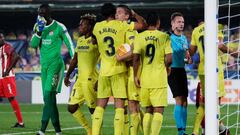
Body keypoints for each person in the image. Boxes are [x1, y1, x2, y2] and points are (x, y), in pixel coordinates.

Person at [91, 3, 145, 135]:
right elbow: (142, 24)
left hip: (103, 71)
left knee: (100, 106)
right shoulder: (122, 26)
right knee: (120, 106)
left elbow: (94, 41)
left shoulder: (97, 27)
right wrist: (132, 14)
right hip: (118, 70)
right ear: (113, 13)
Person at [31, 4, 74, 135]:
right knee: (48, 99)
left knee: (49, 94)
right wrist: (39, 30)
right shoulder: (37, 26)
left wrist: (75, 62)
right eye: (39, 13)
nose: (41, 16)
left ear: (49, 13)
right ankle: (58, 131)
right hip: (44, 67)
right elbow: (33, 45)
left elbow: (70, 45)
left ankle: (42, 130)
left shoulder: (59, 27)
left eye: (43, 13)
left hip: (56, 65)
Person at [189, 21, 237, 135]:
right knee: (215, 101)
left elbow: (191, 51)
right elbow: (220, 45)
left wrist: (186, 54)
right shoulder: (214, 26)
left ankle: (199, 132)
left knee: (204, 102)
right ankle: (219, 129)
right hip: (215, 68)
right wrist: (234, 52)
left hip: (202, 68)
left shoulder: (196, 31)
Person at [133, 12, 172, 135]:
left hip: (145, 79)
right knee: (158, 110)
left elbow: (135, 59)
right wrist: (167, 67)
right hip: (159, 78)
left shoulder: (139, 37)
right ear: (158, 23)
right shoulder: (164, 37)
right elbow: (169, 58)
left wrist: (135, 75)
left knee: (148, 109)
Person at [64, 13, 99, 135]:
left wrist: (101, 79)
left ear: (90, 26)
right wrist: (67, 75)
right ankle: (89, 130)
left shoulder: (96, 41)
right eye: (79, 24)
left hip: (91, 79)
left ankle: (95, 132)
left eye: (82, 24)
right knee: (72, 107)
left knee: (93, 110)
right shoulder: (80, 40)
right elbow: (75, 59)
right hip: (80, 79)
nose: (79, 27)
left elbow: (105, 58)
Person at [115, 4, 144, 135]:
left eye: (120, 12)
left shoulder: (131, 30)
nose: (117, 15)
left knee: (133, 105)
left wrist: (121, 57)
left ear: (127, 16)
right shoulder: (116, 30)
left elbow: (135, 53)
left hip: (132, 71)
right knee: (128, 106)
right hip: (122, 73)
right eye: (116, 12)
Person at [167, 12, 191, 135]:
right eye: (178, 22)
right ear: (172, 23)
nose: (181, 24)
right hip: (172, 71)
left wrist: (188, 58)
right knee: (178, 100)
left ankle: (184, 130)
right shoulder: (168, 38)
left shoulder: (184, 38)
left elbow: (186, 55)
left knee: (185, 101)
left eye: (182, 22)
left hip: (181, 70)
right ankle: (180, 132)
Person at [0, 33, 24, 128]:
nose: (2, 39)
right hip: (0, 77)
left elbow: (16, 56)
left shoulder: (7, 47)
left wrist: (7, 70)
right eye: (0, 38)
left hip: (7, 77)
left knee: (11, 98)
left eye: (2, 37)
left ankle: (21, 123)